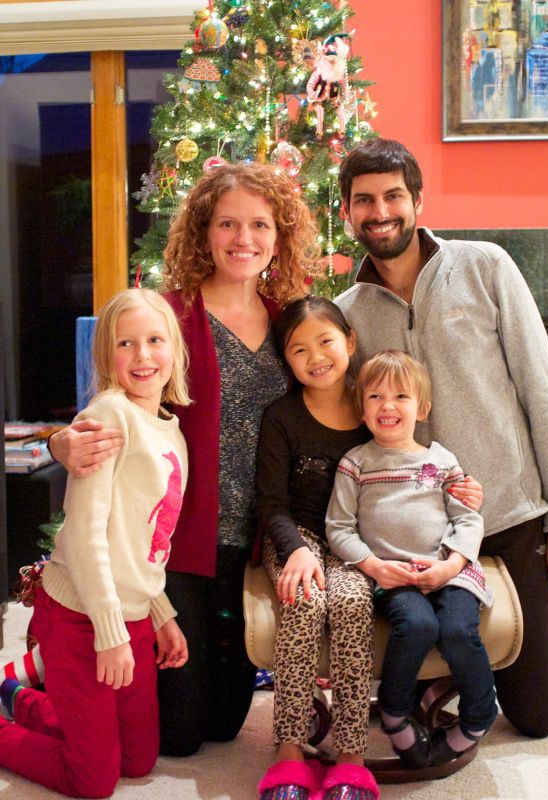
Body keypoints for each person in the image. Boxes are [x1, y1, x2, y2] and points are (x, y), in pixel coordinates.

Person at [47, 162, 321, 758]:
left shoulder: (289, 320)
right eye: (227, 223)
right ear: (203, 232)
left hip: (255, 541)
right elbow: (113, 398)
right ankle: (47, 687)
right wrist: (61, 442)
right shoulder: (170, 315)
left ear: (279, 235)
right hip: (180, 546)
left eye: (259, 224)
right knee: (178, 735)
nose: (243, 238)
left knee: (224, 725)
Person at [334, 137, 548, 738]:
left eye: (393, 196)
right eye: (364, 200)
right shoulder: (346, 313)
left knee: (537, 717)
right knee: (420, 667)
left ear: (418, 201)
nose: (380, 212)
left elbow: (543, 394)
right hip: (420, 542)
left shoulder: (485, 265)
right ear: (346, 211)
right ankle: (445, 677)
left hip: (511, 515)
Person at [255, 299, 483, 800]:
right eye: (298, 349)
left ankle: (351, 757)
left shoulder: (375, 409)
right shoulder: (283, 417)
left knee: (353, 602)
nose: (316, 356)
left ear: (350, 342)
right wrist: (296, 550)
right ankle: (290, 750)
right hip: (297, 537)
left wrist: (464, 490)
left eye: (326, 341)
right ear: (286, 360)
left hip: (358, 544)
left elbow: (421, 470)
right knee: (304, 601)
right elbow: (271, 504)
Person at [0, 288, 190, 797]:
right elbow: (85, 535)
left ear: (175, 349)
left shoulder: (171, 432)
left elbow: (146, 540)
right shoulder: (108, 418)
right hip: (80, 615)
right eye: (126, 343)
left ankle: (21, 698)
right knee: (93, 780)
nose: (143, 355)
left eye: (155, 340)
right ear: (106, 354)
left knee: (138, 760)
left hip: (133, 617)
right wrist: (110, 634)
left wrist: (160, 614)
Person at [326, 350, 497, 772]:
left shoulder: (441, 461)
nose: (388, 405)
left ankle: (478, 717)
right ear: (361, 409)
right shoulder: (355, 463)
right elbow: (339, 528)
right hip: (393, 575)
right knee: (418, 626)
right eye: (376, 396)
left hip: (448, 571)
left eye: (401, 396)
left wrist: (452, 566)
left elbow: (467, 519)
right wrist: (374, 567)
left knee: (457, 631)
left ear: (422, 409)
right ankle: (394, 713)